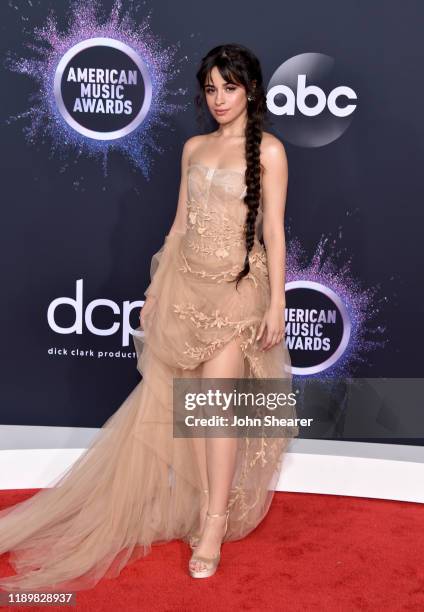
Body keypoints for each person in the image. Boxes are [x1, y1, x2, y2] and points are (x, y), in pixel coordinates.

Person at [0, 43, 298, 591]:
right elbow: (179, 226)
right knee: (191, 406)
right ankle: (207, 502)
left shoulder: (270, 152)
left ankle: (212, 526)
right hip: (186, 285)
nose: (219, 99)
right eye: (210, 89)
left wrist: (277, 301)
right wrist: (157, 292)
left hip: (237, 290)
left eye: (229, 88)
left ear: (251, 90)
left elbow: (274, 233)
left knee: (214, 407)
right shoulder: (193, 148)